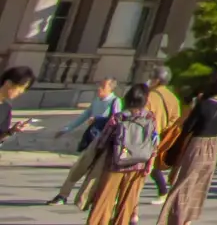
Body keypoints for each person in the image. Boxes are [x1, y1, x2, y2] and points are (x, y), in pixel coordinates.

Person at [155, 69, 217, 225]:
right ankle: (188, 218)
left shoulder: (203, 104)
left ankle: (172, 218)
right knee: (200, 183)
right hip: (214, 146)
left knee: (184, 183)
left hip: (198, 144)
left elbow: (188, 126)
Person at [86, 82, 157, 225]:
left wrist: (96, 158)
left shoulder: (118, 117)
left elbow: (103, 141)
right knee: (126, 206)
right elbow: (154, 141)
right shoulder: (150, 117)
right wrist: (150, 163)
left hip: (115, 164)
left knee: (103, 203)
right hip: (138, 165)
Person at [48, 76, 122, 206]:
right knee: (77, 168)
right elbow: (84, 116)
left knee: (94, 174)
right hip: (91, 140)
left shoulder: (115, 101)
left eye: (103, 86)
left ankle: (85, 200)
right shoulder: (96, 101)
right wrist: (66, 129)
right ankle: (62, 195)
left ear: (110, 89)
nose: (99, 89)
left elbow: (117, 121)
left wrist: (98, 120)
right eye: (99, 85)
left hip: (104, 143)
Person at [145, 64, 181, 200]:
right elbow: (175, 119)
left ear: (156, 80)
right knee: (153, 164)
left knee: (141, 164)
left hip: (146, 135)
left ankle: (162, 191)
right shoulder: (173, 98)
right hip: (160, 136)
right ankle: (163, 191)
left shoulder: (148, 96)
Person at [0, 64, 39, 146]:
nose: (22, 91)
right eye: (21, 87)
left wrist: (12, 131)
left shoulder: (6, 108)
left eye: (25, 89)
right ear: (8, 83)